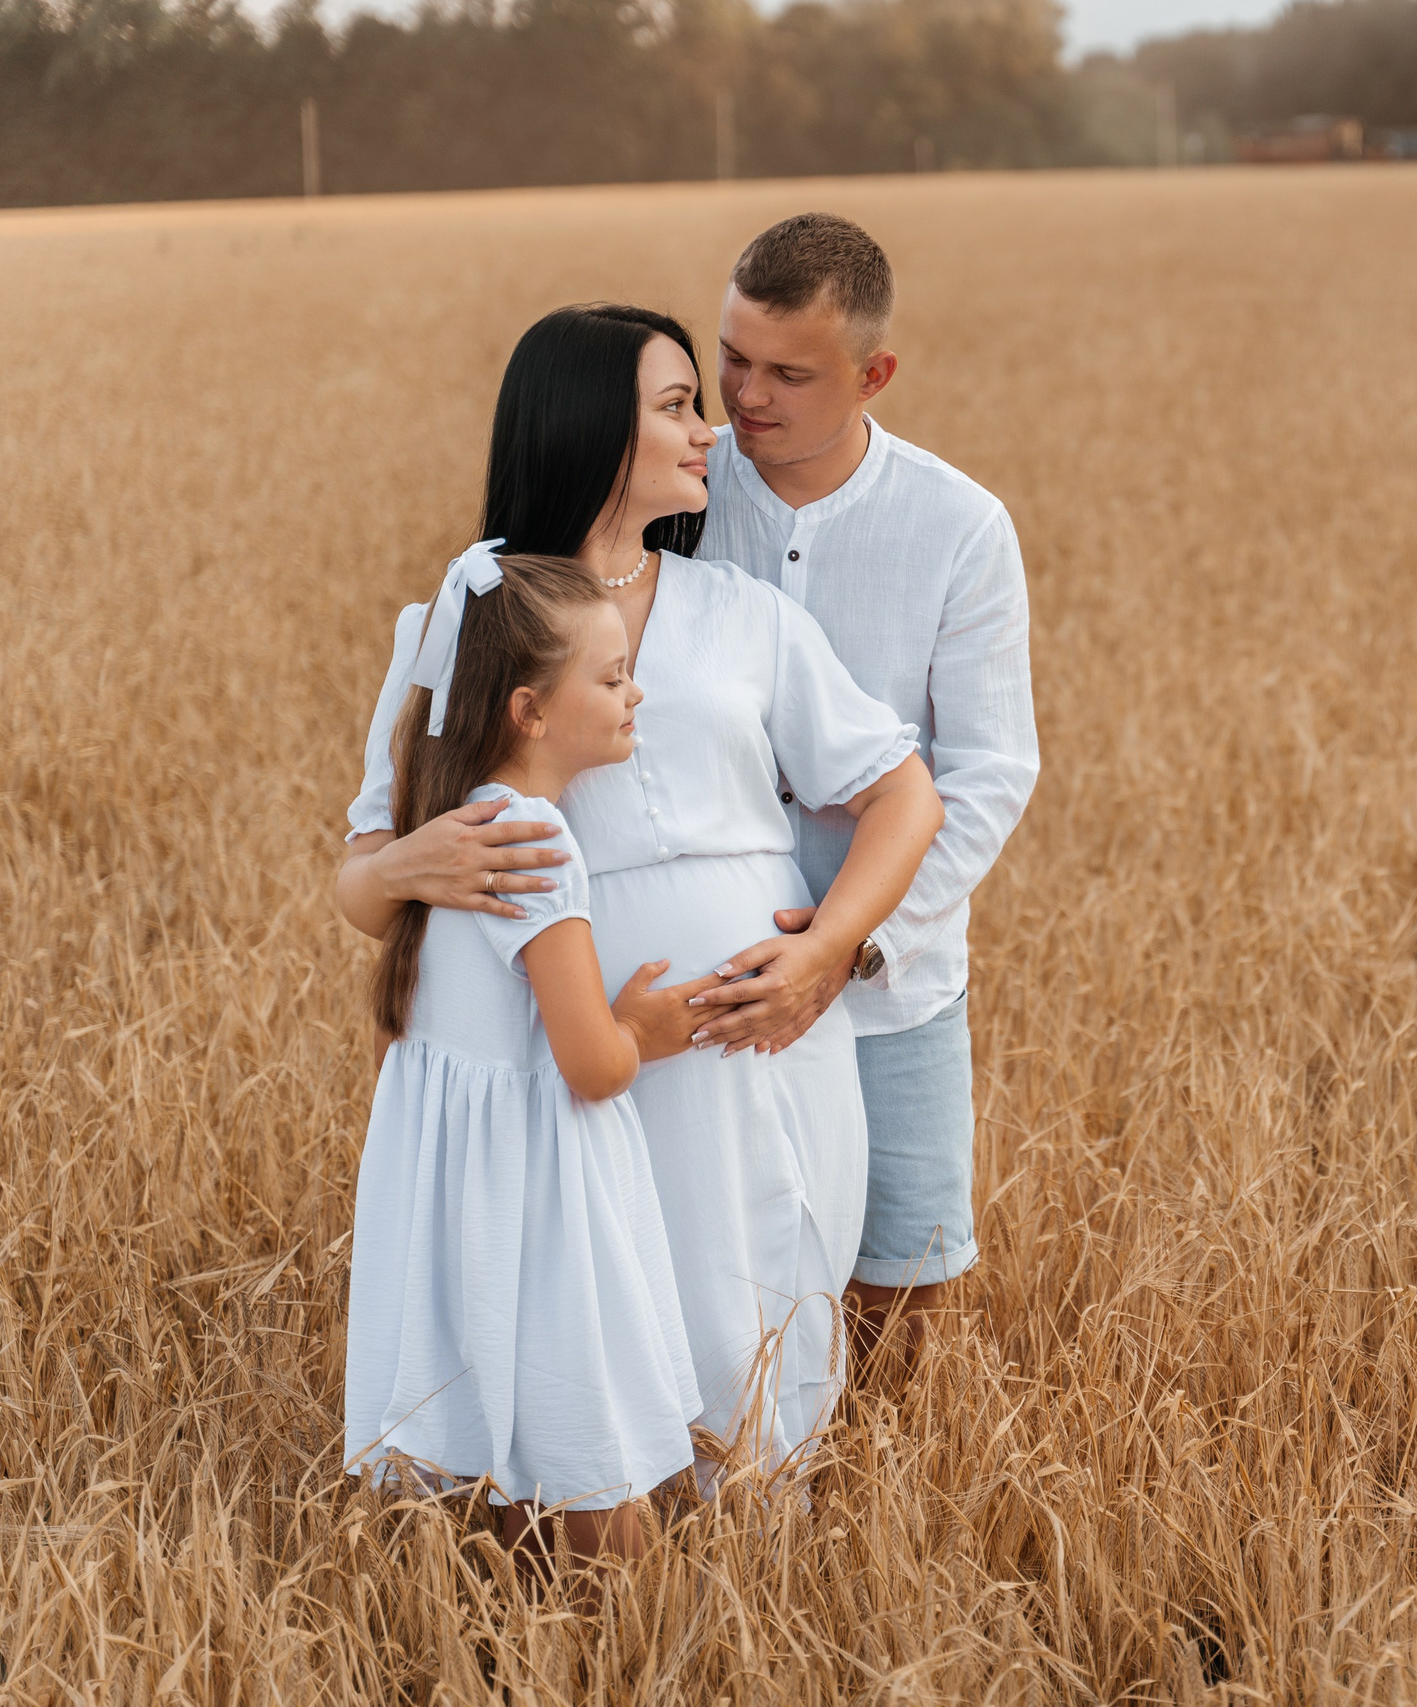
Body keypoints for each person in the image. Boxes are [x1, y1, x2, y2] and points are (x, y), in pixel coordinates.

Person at [337, 304, 945, 1479]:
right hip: (583, 1052)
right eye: (675, 406)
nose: (708, 430)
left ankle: (759, 1583)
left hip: (759, 1035)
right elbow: (363, 887)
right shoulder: (468, 619)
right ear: (587, 430)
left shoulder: (747, 616)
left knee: (765, 1292)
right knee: (605, 1322)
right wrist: (408, 864)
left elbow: (904, 795)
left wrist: (829, 951)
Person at [691, 213, 1039, 1377]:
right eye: (733, 356)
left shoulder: (959, 528)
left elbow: (988, 771)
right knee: (716, 1274)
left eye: (789, 372)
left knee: (898, 1278)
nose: (744, 395)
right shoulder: (671, 497)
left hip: (896, 984)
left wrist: (847, 946)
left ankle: (866, 1531)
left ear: (873, 374)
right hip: (704, 975)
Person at [343, 547, 702, 1575]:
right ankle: (615, 1663)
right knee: (598, 1478)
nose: (636, 692)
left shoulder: (454, 823)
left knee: (526, 1467)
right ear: (530, 714)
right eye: (612, 676)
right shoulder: (535, 841)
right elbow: (590, 1064)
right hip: (548, 1207)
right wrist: (649, 1030)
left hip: (473, 1198)